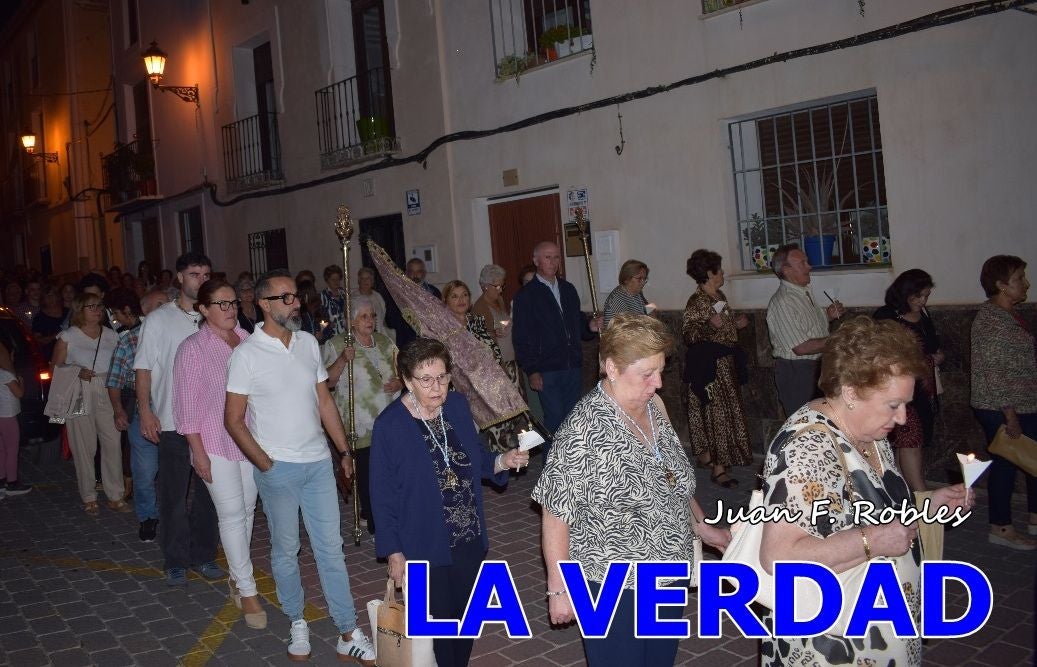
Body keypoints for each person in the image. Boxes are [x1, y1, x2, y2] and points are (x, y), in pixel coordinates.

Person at [758, 316, 971, 666]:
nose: (902, 418)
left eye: (906, 404)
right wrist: (872, 542)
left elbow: (869, 507)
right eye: (893, 405)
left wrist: (928, 504)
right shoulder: (808, 446)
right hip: (834, 644)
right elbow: (780, 558)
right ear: (852, 393)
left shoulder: (869, 431)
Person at [532, 313, 730, 666]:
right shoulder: (583, 430)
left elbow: (672, 478)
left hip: (667, 570)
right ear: (611, 368)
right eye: (647, 374)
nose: (658, 383)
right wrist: (559, 589)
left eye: (661, 371)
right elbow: (555, 512)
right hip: (611, 582)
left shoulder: (653, 406)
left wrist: (702, 527)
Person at [224, 269, 376, 663]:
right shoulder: (246, 355)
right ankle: (297, 621)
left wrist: (343, 450)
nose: (296, 303)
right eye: (286, 297)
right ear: (264, 304)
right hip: (279, 469)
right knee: (286, 549)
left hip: (318, 464)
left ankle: (346, 629)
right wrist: (264, 463)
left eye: (296, 297)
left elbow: (323, 401)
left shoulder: (309, 343)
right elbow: (233, 420)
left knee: (331, 549)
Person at [370, 337, 528, 667]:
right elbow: (382, 494)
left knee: (466, 620)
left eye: (442, 376)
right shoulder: (390, 425)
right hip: (423, 543)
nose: (437, 386)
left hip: (468, 536)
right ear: (407, 380)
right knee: (440, 625)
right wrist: (394, 552)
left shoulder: (456, 406)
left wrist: (503, 461)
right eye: (425, 379)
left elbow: (476, 458)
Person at [174, 279, 266, 628]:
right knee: (230, 514)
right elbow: (186, 406)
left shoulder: (246, 340)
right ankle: (247, 589)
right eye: (221, 304)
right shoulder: (192, 349)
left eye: (233, 303)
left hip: (249, 439)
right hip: (214, 442)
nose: (230, 310)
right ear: (203, 309)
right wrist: (197, 451)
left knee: (245, 510)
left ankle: (237, 574)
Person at [135, 252, 223, 587]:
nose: (201, 279)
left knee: (208, 495)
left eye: (206, 273)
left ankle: (204, 555)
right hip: (173, 421)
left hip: (211, 423)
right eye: (194, 274)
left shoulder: (215, 317)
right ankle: (175, 558)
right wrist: (145, 410)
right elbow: (143, 368)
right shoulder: (159, 320)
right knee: (173, 494)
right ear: (179, 278)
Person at [971, 255, 1036, 550]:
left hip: (1024, 402)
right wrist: (1009, 415)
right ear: (1000, 285)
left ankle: (1034, 518)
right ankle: (1000, 526)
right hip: (1000, 406)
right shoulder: (992, 321)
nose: (1026, 283)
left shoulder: (1008, 314)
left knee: (1032, 461)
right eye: (1019, 279)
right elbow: (994, 372)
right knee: (1006, 465)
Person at [513, 241, 602, 455]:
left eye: (556, 257)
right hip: (547, 368)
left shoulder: (568, 289)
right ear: (536, 261)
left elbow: (577, 323)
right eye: (547, 257)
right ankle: (550, 466)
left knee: (571, 418)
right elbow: (521, 337)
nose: (553, 262)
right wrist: (532, 369)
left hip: (571, 364)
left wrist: (590, 326)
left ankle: (569, 463)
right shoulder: (527, 296)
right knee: (554, 418)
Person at [322, 295, 401, 534]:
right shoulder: (337, 344)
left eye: (373, 316)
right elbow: (327, 382)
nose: (370, 320)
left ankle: (390, 515)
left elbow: (403, 373)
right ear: (352, 321)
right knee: (368, 476)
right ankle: (377, 525)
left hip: (389, 420)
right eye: (364, 316)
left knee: (390, 472)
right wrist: (343, 360)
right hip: (360, 424)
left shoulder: (385, 342)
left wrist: (399, 382)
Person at [682, 249, 752, 488]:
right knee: (716, 414)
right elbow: (690, 335)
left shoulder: (718, 295)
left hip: (726, 364)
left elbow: (723, 327)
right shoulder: (697, 302)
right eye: (720, 270)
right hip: (709, 367)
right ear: (710, 273)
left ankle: (712, 457)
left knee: (724, 412)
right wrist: (708, 326)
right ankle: (718, 469)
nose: (723, 273)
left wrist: (736, 324)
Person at [52, 293, 126, 514]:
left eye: (99, 306)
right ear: (79, 310)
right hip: (80, 390)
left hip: (107, 387)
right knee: (83, 446)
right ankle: (89, 495)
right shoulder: (68, 336)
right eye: (91, 306)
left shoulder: (112, 335)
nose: (97, 310)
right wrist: (76, 371)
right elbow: (54, 367)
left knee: (112, 442)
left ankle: (115, 494)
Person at [106, 288, 168, 541]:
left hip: (172, 409)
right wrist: (119, 409)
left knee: (175, 468)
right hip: (143, 411)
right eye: (160, 304)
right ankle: (148, 517)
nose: (166, 308)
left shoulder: (174, 335)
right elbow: (114, 379)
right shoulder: (130, 340)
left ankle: (174, 516)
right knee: (144, 469)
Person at [873, 269, 943, 492]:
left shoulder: (924, 315)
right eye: (918, 296)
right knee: (910, 442)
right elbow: (879, 353)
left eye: (926, 296)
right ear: (905, 293)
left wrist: (937, 356)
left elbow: (933, 346)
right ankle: (923, 501)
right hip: (896, 390)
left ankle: (903, 500)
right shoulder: (887, 317)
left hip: (923, 389)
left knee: (914, 444)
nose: (922, 301)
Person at [443, 279, 522, 453]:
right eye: (454, 296)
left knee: (498, 430)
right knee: (465, 437)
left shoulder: (476, 320)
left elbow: (491, 346)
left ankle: (498, 466)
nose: (461, 300)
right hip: (460, 390)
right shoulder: (443, 328)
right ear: (446, 301)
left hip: (486, 386)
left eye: (464, 295)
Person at [766, 244, 845, 416]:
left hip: (814, 367)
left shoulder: (801, 293)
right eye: (802, 263)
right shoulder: (784, 301)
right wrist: (839, 340)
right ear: (787, 270)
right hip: (798, 372)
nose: (809, 266)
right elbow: (800, 347)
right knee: (804, 427)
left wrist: (828, 316)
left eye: (807, 261)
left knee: (820, 422)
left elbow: (807, 328)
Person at [472, 264, 517, 385]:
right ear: (485, 286)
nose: (501, 290)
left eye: (502, 286)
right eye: (497, 286)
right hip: (498, 363)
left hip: (510, 358)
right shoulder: (479, 307)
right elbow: (480, 338)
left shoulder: (500, 300)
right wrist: (493, 332)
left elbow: (503, 322)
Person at [391, 257, 444, 349]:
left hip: (430, 342)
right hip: (407, 343)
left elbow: (441, 319)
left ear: (424, 273)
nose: (415, 275)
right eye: (411, 271)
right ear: (406, 273)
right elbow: (391, 320)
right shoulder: (398, 294)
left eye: (418, 271)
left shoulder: (434, 292)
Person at [0, 341, 30, 497]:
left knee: (1, 450)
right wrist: (22, 383)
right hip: (8, 416)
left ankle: (1, 483)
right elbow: (19, 394)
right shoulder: (6, 375)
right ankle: (12, 483)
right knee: (12, 449)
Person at [602, 259, 650, 328]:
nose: (643, 282)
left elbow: (646, 311)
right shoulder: (617, 298)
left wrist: (651, 310)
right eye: (639, 278)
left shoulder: (637, 294)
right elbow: (622, 329)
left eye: (644, 279)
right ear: (626, 279)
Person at [353, 267, 392, 341]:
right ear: (359, 281)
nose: (365, 281)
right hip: (361, 337)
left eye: (368, 278)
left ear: (372, 281)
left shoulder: (378, 296)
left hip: (379, 335)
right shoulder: (354, 298)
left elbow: (382, 317)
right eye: (362, 278)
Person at [31, 285, 68, 361]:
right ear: (43, 299)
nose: (50, 298)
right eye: (46, 296)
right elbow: (37, 341)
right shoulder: (39, 318)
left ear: (57, 296)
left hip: (71, 354)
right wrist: (57, 335)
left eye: (52, 295)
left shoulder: (68, 312)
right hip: (52, 357)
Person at [320, 264, 347, 337]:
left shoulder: (343, 293)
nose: (336, 282)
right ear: (327, 280)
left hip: (345, 331)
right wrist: (327, 325)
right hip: (331, 334)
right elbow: (321, 317)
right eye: (333, 279)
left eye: (338, 279)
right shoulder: (323, 295)